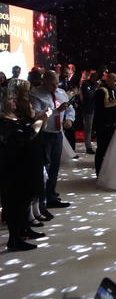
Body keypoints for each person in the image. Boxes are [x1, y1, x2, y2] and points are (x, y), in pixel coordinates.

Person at [0, 94, 50, 251]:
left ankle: (24, 229)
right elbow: (25, 136)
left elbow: (34, 130)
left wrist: (42, 119)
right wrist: (41, 120)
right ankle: (14, 239)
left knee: (25, 199)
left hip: (28, 164)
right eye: (10, 99)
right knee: (14, 203)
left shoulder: (18, 115)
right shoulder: (3, 121)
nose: (14, 100)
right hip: (13, 167)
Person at [30, 70, 75, 209]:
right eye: (52, 84)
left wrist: (69, 119)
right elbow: (36, 115)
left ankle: (51, 195)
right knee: (44, 168)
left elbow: (70, 109)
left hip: (58, 133)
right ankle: (41, 199)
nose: (55, 87)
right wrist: (56, 111)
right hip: (44, 134)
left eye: (57, 83)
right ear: (44, 81)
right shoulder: (36, 94)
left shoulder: (61, 93)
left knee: (55, 167)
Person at [80, 72, 99, 154]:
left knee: (93, 128)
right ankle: (88, 147)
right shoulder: (86, 84)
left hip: (96, 109)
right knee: (88, 128)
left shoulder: (94, 85)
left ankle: (95, 145)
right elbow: (89, 95)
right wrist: (95, 87)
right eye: (95, 78)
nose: (96, 80)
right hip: (88, 109)